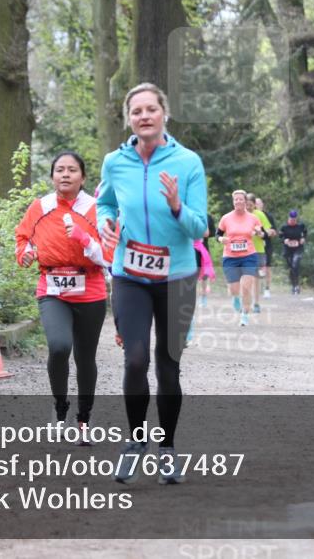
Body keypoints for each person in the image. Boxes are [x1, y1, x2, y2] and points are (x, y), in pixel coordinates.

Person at [97, 82, 207, 485]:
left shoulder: (188, 162)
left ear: (164, 113)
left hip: (176, 276)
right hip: (130, 275)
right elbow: (105, 203)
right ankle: (135, 442)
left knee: (168, 367)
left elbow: (200, 225)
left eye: (151, 109)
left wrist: (177, 206)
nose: (144, 116)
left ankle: (167, 448)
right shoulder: (115, 162)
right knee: (135, 359)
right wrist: (105, 224)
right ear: (129, 118)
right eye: (136, 111)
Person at [15, 152, 107, 444]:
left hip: (90, 288)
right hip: (52, 288)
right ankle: (60, 407)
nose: (65, 175)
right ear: (52, 176)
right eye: (59, 170)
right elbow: (23, 238)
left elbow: (109, 254)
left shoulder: (96, 208)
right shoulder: (40, 206)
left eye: (72, 170)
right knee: (58, 347)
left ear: (82, 176)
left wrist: (83, 237)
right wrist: (25, 254)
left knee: (84, 357)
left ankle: (84, 418)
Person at [217, 190, 264, 326]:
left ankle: (244, 315)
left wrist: (257, 232)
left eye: (240, 199)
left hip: (249, 255)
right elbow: (217, 234)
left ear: (245, 201)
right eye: (235, 199)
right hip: (230, 257)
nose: (238, 201)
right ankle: (235, 298)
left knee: (246, 286)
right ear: (233, 202)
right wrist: (221, 239)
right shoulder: (226, 218)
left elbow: (260, 232)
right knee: (234, 289)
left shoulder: (253, 217)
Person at [253, 196, 278, 302]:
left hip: (266, 245)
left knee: (267, 267)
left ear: (262, 205)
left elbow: (274, 232)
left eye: (259, 203)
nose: (257, 205)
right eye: (256, 203)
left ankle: (267, 288)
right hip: (253, 245)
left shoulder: (268, 216)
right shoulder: (250, 215)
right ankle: (255, 291)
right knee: (254, 269)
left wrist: (267, 233)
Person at [280, 210, 307, 294]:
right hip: (288, 250)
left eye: (294, 220)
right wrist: (284, 240)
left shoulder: (301, 226)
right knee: (291, 267)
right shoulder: (284, 227)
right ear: (288, 218)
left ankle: (297, 285)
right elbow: (280, 237)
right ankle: (293, 285)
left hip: (298, 248)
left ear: (296, 219)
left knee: (295, 263)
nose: (293, 221)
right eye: (291, 220)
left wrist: (303, 238)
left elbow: (305, 233)